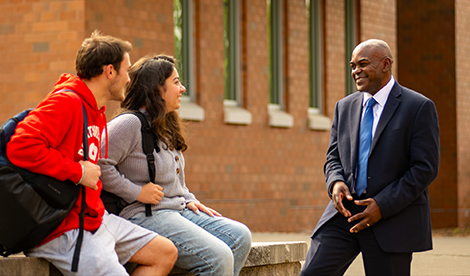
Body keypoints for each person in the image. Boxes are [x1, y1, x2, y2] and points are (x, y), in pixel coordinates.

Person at [7, 31, 177, 276]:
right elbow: (21, 146)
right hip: (64, 228)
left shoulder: (95, 109)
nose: (129, 79)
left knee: (165, 253)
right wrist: (77, 172)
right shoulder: (66, 102)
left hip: (95, 218)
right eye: (126, 71)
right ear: (110, 71)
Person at [98, 54, 252, 276]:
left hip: (176, 210)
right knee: (218, 257)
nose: (183, 89)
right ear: (156, 89)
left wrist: (189, 199)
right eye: (176, 82)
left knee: (239, 236)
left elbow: (174, 176)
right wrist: (137, 192)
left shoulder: (166, 122)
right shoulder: (129, 123)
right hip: (143, 214)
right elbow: (99, 165)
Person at [300, 39, 440, 276]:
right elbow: (333, 157)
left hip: (392, 218)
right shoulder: (344, 107)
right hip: (344, 215)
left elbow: (424, 169)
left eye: (363, 64)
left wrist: (382, 206)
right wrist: (335, 182)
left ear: (386, 64)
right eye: (353, 65)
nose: (356, 71)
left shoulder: (418, 107)